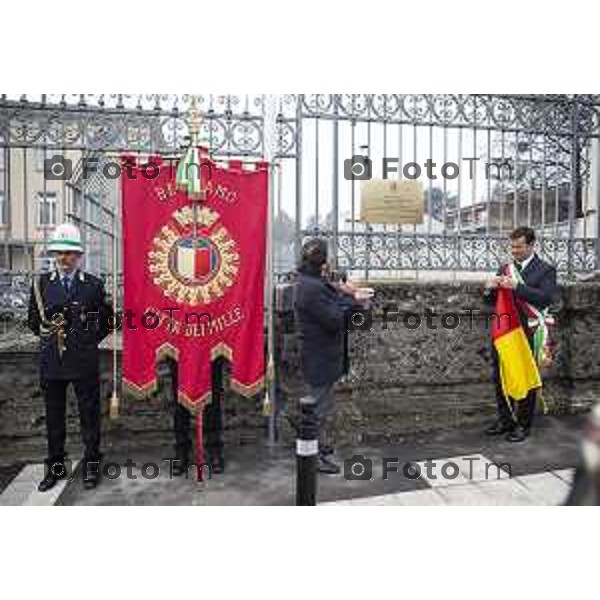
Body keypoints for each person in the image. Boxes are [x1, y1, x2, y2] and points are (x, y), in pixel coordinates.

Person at [27, 222, 114, 491]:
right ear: (54, 254)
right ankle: (56, 466)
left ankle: (91, 465)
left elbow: (106, 322)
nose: (64, 258)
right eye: (59, 252)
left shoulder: (93, 286)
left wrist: (86, 341)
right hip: (52, 361)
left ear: (79, 255)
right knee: (54, 418)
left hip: (83, 360)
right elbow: (33, 321)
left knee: (90, 415)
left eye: (70, 252)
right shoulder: (41, 285)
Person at [294, 237, 363, 474]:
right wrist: (354, 298)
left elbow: (332, 304)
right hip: (319, 357)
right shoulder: (312, 288)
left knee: (320, 405)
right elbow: (335, 319)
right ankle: (313, 457)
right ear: (323, 262)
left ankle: (318, 449)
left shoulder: (311, 282)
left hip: (319, 355)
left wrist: (343, 293)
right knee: (318, 410)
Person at [483, 226, 557, 442]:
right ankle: (505, 419)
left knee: (525, 378)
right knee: (501, 376)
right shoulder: (505, 268)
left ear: (532, 245)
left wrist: (516, 286)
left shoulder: (545, 270)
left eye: (519, 246)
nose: (514, 251)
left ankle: (523, 425)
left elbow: (545, 298)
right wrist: (489, 288)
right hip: (504, 332)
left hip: (528, 332)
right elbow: (489, 302)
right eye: (512, 246)